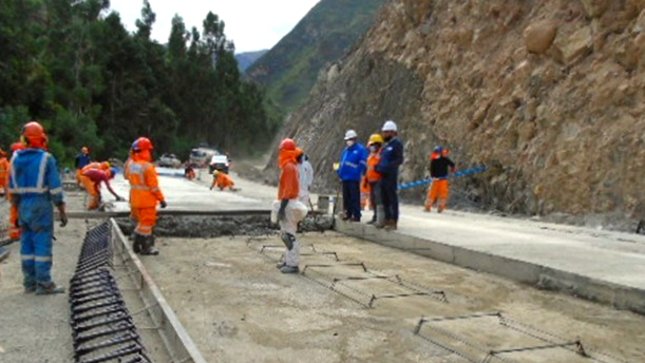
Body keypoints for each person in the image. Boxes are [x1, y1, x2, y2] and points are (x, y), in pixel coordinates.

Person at [9, 121, 68, 294]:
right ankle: (44, 283)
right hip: (40, 205)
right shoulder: (46, 159)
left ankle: (29, 282)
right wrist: (62, 210)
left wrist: (15, 212)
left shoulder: (16, 158)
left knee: (26, 245)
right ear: (41, 139)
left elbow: (12, 189)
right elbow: (55, 188)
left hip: (22, 205)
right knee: (42, 244)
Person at [126, 137, 166, 255]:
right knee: (146, 224)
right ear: (146, 151)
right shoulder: (148, 167)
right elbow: (154, 187)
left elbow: (129, 178)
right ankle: (144, 247)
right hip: (147, 201)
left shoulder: (131, 166)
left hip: (135, 200)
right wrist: (161, 199)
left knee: (142, 224)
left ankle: (138, 244)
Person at [276, 139, 307, 274]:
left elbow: (287, 191)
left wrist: (282, 209)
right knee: (286, 234)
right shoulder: (290, 165)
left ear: (285, 151)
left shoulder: (289, 167)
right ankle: (288, 261)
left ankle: (293, 264)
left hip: (288, 203)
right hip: (289, 202)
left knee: (289, 236)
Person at [376, 120, 404, 230]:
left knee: (392, 198)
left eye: (386, 132)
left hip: (391, 176)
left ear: (392, 132)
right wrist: (378, 167)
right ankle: (387, 219)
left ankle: (393, 220)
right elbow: (382, 159)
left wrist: (389, 167)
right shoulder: (386, 146)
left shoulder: (397, 145)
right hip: (383, 175)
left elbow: (399, 159)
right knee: (384, 199)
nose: (384, 135)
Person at [337, 129, 368, 221]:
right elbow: (342, 163)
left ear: (354, 139)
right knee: (346, 198)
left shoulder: (360, 149)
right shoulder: (345, 151)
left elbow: (362, 163)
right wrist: (340, 173)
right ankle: (348, 213)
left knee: (354, 197)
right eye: (347, 140)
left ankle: (356, 215)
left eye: (350, 139)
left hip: (353, 178)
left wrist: (357, 172)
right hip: (345, 177)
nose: (348, 141)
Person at [425, 146, 456, 213]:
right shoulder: (433, 160)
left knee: (443, 193)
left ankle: (441, 207)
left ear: (441, 153)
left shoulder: (445, 159)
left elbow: (452, 164)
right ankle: (428, 206)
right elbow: (431, 169)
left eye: (437, 153)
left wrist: (453, 168)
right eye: (435, 153)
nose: (436, 154)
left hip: (443, 180)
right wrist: (432, 176)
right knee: (432, 193)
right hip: (435, 180)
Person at [364, 133, 384, 225]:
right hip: (371, 180)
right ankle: (375, 216)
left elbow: (382, 167)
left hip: (379, 181)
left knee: (379, 199)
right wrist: (366, 180)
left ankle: (380, 218)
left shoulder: (381, 155)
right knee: (373, 200)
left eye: (373, 145)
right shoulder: (370, 156)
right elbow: (368, 168)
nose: (372, 147)